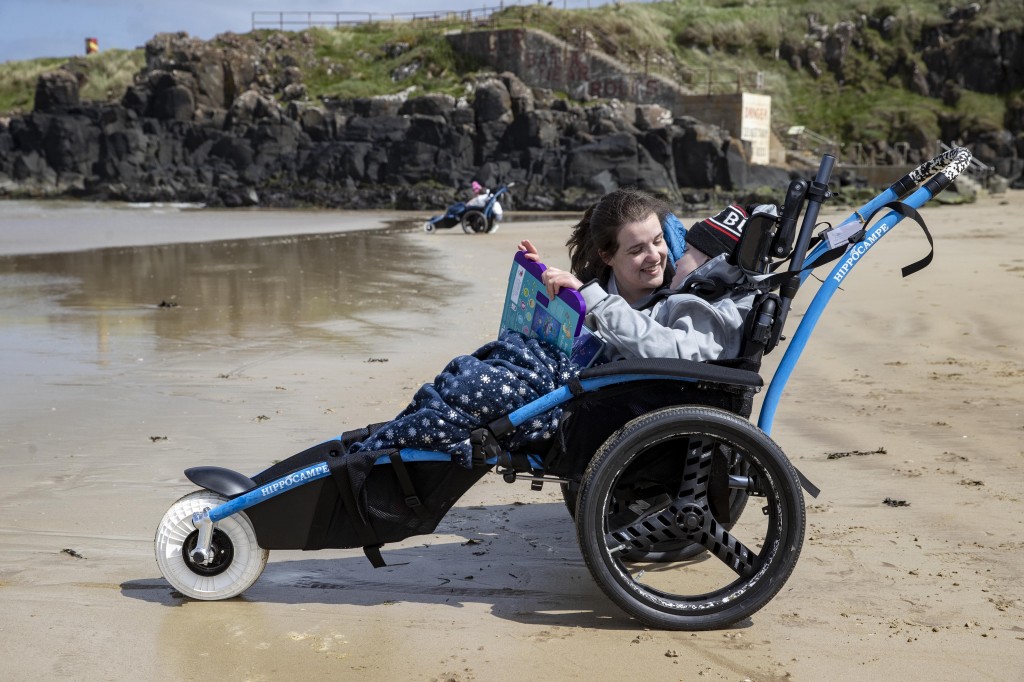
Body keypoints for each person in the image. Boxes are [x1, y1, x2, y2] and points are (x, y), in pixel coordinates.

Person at [350, 189, 759, 467]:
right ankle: (382, 440)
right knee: (462, 374)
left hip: (580, 398)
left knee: (474, 392)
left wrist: (590, 297)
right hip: (566, 376)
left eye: (670, 246)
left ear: (709, 268)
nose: (661, 255)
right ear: (608, 255)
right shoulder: (663, 283)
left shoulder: (691, 304)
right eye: (639, 249)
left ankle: (381, 453)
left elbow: (664, 347)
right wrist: (546, 281)